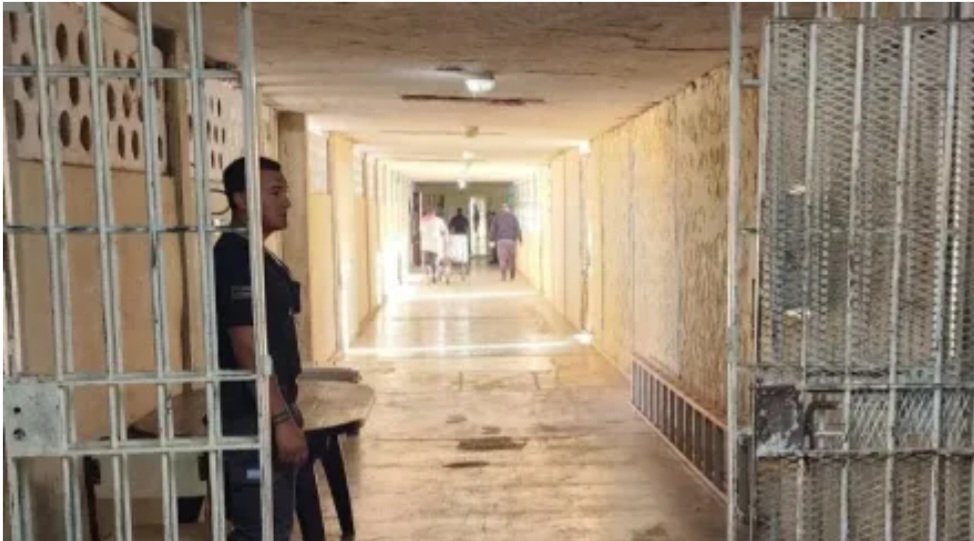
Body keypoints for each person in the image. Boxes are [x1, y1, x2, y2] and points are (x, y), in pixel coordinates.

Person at [214, 157, 308, 541]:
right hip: (250, 416)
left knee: (274, 525)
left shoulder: (257, 255)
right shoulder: (235, 259)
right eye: (275, 192)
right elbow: (247, 347)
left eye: (285, 191)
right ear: (240, 199)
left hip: (265, 408)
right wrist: (280, 419)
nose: (287, 202)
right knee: (261, 530)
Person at [490, 204, 522, 281]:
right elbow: (517, 228)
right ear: (508, 209)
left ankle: (503, 276)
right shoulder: (513, 217)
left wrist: (492, 240)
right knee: (512, 259)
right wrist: (520, 238)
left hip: (501, 241)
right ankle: (512, 275)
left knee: (502, 259)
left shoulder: (497, 217)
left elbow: (493, 229)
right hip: (511, 241)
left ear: (501, 209)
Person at [419, 205, 448, 283]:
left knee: (428, 261)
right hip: (435, 244)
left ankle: (431, 275)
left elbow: (421, 231)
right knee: (435, 260)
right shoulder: (439, 221)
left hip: (426, 244)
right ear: (434, 213)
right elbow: (444, 231)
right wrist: (445, 241)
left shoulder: (423, 221)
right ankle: (434, 275)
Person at [447, 208, 471, 279]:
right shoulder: (464, 219)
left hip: (456, 236)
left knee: (455, 252)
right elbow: (467, 227)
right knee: (464, 253)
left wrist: (450, 233)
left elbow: (449, 226)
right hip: (463, 236)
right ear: (461, 212)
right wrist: (467, 235)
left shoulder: (454, 219)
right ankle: (465, 270)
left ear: (457, 212)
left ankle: (454, 266)